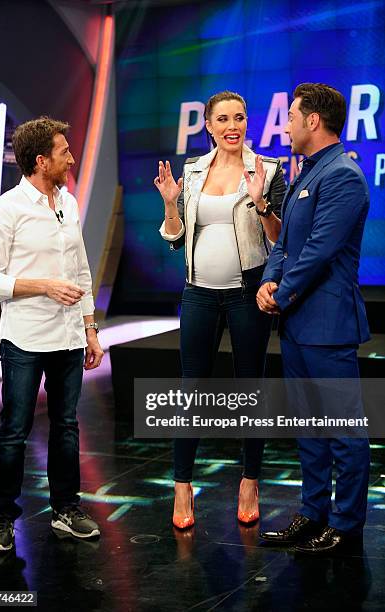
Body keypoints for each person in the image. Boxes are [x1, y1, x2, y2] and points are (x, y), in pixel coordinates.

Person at [155, 91, 286, 529]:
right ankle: (182, 487)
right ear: (208, 125)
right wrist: (171, 203)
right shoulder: (192, 171)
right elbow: (175, 238)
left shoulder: (267, 170)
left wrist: (261, 201)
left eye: (240, 118)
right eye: (223, 119)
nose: (233, 126)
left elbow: (280, 237)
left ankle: (249, 481)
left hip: (247, 294)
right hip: (198, 294)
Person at [0, 117, 104, 552]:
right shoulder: (6, 208)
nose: (71, 158)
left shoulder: (68, 201)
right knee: (15, 429)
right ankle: (2, 518)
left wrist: (90, 329)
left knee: (66, 427)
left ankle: (66, 509)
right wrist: (43, 285)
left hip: (69, 338)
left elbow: (82, 270)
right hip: (25, 340)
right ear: (40, 160)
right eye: (64, 152)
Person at [257, 83, 371, 554]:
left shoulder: (342, 176)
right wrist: (268, 280)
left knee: (343, 429)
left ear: (313, 121)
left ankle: (344, 525)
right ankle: (312, 513)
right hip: (299, 325)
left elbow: (321, 250)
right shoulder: (306, 173)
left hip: (327, 325)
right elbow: (285, 244)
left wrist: (280, 294)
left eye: (292, 117)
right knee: (308, 428)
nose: (286, 126)